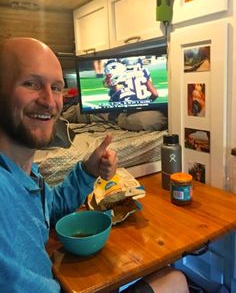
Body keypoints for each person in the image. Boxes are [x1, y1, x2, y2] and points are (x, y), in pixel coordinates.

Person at [0, 37, 189, 293]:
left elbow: (50, 210)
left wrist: (87, 170)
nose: (49, 100)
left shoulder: (23, 171)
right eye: (31, 83)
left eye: (56, 87)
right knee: (174, 280)